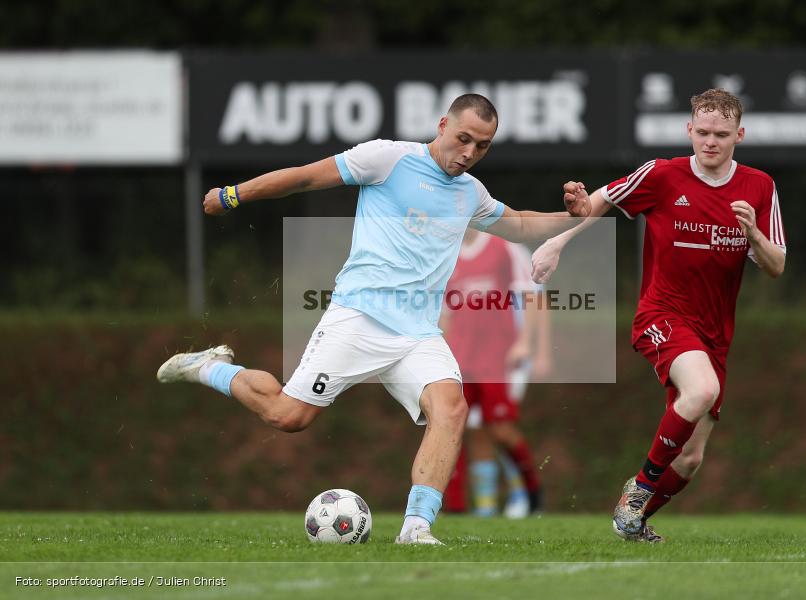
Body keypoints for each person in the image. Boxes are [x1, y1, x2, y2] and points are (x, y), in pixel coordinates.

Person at [156, 94, 589, 546]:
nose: (469, 154)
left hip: (419, 333)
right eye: (463, 139)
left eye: (482, 147)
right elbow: (304, 178)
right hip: (359, 318)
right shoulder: (387, 158)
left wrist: (573, 215)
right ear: (442, 125)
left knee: (451, 409)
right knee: (288, 417)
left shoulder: (470, 193)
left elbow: (518, 224)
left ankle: (416, 529)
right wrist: (234, 194)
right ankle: (206, 366)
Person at [532, 88, 786, 542]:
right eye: (702, 132)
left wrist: (752, 234)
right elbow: (602, 200)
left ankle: (634, 521)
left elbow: (776, 266)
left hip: (714, 334)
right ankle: (640, 488)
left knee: (690, 459)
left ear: (739, 135)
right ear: (689, 130)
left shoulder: (759, 187)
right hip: (662, 313)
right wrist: (557, 241)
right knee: (702, 389)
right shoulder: (663, 175)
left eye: (721, 134)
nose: (710, 142)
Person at [440, 228, 552, 518]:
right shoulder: (446, 254)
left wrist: (530, 345)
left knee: (499, 428)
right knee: (456, 426)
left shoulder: (506, 248)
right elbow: (444, 313)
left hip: (499, 356)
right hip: (460, 357)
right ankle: (459, 507)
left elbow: (533, 297)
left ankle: (530, 492)